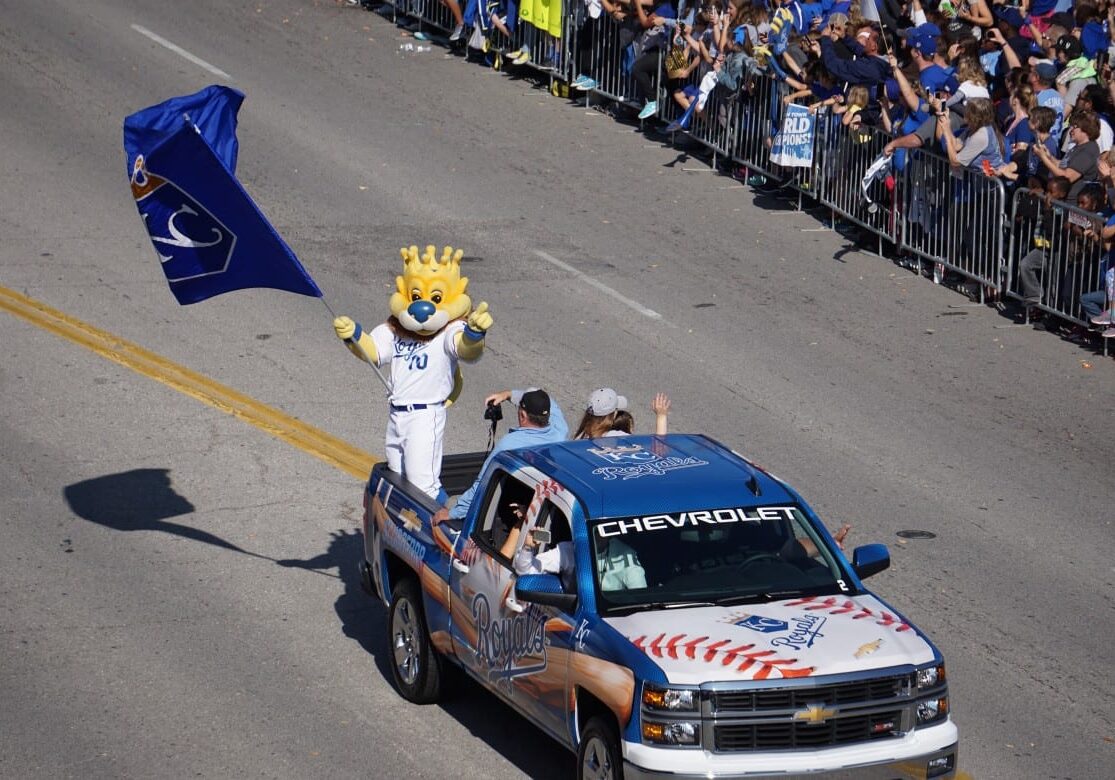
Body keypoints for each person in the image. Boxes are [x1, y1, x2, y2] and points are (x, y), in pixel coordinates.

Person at [440, 388, 568, 522]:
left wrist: (453, 513)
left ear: (522, 415)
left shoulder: (510, 444)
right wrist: (508, 395)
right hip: (543, 506)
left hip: (514, 507)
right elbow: (550, 403)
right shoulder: (560, 430)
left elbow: (482, 483)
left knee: (450, 502)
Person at [573, 388, 671, 438]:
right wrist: (661, 416)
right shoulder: (618, 437)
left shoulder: (580, 437)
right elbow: (658, 451)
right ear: (614, 414)